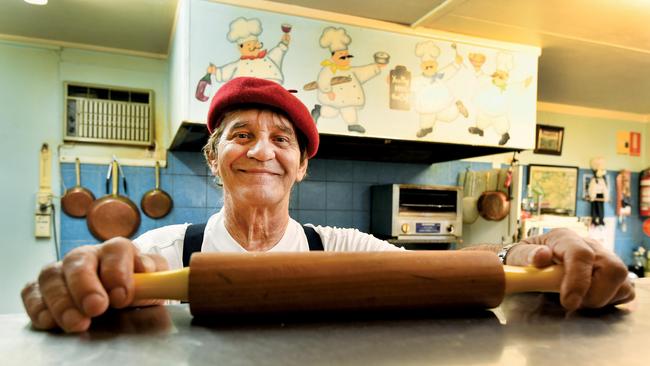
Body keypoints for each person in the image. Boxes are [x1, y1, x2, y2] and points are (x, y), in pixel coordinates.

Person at [21, 77, 634, 333]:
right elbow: (110, 286)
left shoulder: (342, 250)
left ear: (302, 165)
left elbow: (459, 270)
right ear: (213, 159)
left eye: (282, 139)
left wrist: (540, 251)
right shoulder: (160, 256)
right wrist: (83, 288)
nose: (263, 151)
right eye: (241, 135)